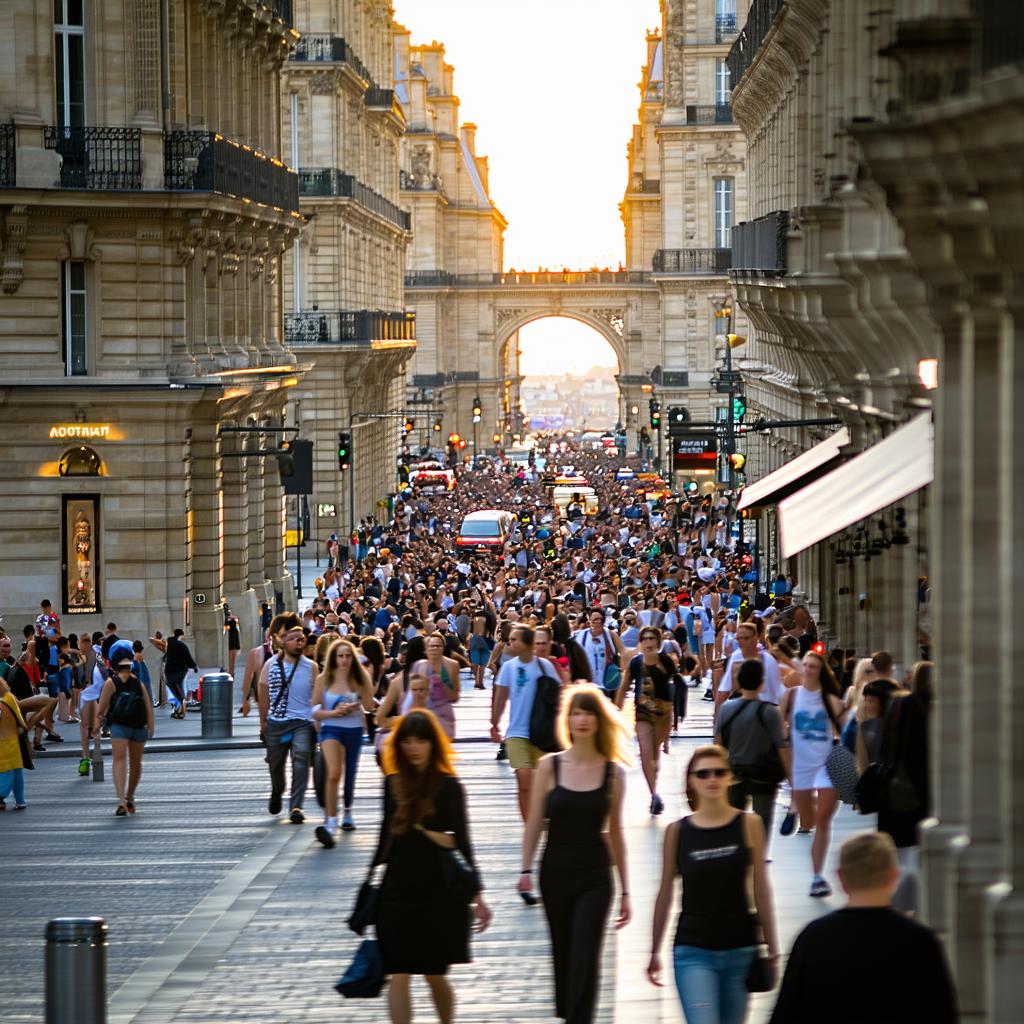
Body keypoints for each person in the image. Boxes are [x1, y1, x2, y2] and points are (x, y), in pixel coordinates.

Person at [519, 684, 631, 1024]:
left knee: (586, 953)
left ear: (599, 720)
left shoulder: (614, 773)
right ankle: (570, 1014)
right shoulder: (549, 767)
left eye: (588, 713)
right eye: (576, 713)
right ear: (567, 720)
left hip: (595, 873)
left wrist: (626, 890)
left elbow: (616, 831)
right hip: (555, 870)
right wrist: (524, 869)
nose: (581, 720)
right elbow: (536, 819)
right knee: (564, 952)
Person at [372, 709, 492, 1024]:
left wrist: (478, 895)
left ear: (432, 744)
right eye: (407, 741)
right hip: (396, 889)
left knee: (433, 974)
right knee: (397, 972)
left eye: (420, 740)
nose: (413, 747)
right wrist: (369, 886)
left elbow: (464, 842)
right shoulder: (392, 783)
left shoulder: (449, 786)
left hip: (439, 892)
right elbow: (383, 838)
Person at [648, 744, 779, 1024]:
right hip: (693, 950)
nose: (712, 779)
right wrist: (654, 950)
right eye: (703, 773)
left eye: (719, 772)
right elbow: (665, 893)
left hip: (740, 947)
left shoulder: (749, 824)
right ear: (691, 781)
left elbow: (761, 890)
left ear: (731, 777)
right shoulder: (677, 832)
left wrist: (772, 945)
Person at [769, 832, 957, 1023]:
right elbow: (941, 1012)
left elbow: (787, 1011)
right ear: (894, 876)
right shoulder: (920, 940)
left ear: (841, 878)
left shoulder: (814, 937)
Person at [779, 650, 846, 897]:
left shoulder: (831, 700)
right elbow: (779, 735)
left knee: (824, 821)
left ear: (821, 671)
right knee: (810, 821)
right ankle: (797, 809)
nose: (807, 670)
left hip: (826, 766)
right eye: (805, 665)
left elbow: (845, 732)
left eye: (813, 666)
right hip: (801, 768)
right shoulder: (791, 696)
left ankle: (817, 877)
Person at [491, 625, 561, 835]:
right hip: (516, 733)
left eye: (515, 639)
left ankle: (541, 815)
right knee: (524, 778)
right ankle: (530, 823)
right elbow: (501, 698)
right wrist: (494, 722)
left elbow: (556, 696)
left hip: (541, 734)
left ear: (527, 643)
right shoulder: (509, 668)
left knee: (544, 783)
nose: (510, 643)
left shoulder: (545, 666)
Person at [715, 659, 791, 839]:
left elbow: (718, 744)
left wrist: (718, 773)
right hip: (763, 775)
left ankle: (738, 859)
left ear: (739, 681)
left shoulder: (726, 709)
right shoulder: (771, 712)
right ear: (761, 683)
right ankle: (759, 859)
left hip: (733, 774)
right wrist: (793, 781)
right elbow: (783, 749)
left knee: (733, 825)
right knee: (762, 826)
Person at [311, 638, 375, 845]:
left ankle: (347, 810)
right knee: (333, 773)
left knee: (350, 774)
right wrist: (334, 712)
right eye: (340, 656)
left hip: (354, 729)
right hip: (331, 729)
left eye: (348, 656)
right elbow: (313, 711)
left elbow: (369, 706)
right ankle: (330, 820)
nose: (344, 660)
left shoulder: (359, 677)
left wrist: (358, 701)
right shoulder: (324, 679)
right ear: (333, 658)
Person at [257, 615, 317, 823]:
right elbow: (263, 697)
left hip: (302, 723)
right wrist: (263, 724)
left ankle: (296, 806)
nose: (299, 643)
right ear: (283, 641)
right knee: (276, 766)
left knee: (301, 759)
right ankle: (277, 791)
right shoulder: (270, 666)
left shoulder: (311, 667)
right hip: (276, 724)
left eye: (302, 639)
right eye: (294, 639)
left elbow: (316, 697)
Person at [621, 626, 675, 815]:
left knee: (654, 757)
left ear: (657, 641)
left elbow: (675, 683)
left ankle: (654, 787)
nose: (648, 642)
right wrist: (616, 711)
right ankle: (654, 795)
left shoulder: (665, 660)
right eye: (644, 639)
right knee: (645, 753)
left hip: (663, 713)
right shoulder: (635, 663)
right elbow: (624, 686)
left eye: (652, 638)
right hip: (642, 713)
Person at [97, 643, 154, 816]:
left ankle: (121, 800)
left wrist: (98, 723)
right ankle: (130, 796)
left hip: (120, 725)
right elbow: (148, 705)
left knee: (119, 760)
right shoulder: (138, 682)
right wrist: (151, 726)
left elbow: (101, 709)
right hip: (138, 726)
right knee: (136, 763)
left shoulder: (111, 682)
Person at [413, 633, 461, 740]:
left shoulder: (452, 665)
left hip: (444, 715)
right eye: (431, 646)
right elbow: (412, 695)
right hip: (423, 714)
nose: (435, 648)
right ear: (426, 649)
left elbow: (455, 696)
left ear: (443, 648)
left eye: (438, 646)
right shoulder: (418, 666)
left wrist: (442, 679)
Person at [0, 675, 30, 810]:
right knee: (17, 772)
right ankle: (20, 800)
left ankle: (0, 795)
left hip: (3, 743)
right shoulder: (10, 697)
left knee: (5, 771)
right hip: (13, 740)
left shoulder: (3, 702)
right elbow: (20, 720)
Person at [164, 628, 198, 720]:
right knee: (178, 688)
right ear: (181, 635)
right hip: (180, 670)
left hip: (170, 671)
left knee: (176, 688)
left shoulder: (170, 643)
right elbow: (187, 657)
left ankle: (181, 707)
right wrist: (194, 666)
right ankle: (181, 707)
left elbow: (167, 654)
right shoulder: (181, 645)